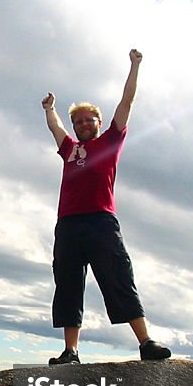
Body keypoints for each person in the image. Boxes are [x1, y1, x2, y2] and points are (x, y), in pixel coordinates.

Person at [42, 49, 171, 364]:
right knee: (68, 284)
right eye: (79, 121)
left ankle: (146, 343)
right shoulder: (69, 149)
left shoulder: (111, 140)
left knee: (117, 277)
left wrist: (135, 65)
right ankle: (70, 352)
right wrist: (50, 108)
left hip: (101, 221)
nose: (84, 124)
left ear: (98, 122)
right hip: (69, 224)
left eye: (89, 119)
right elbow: (54, 127)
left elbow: (126, 101)